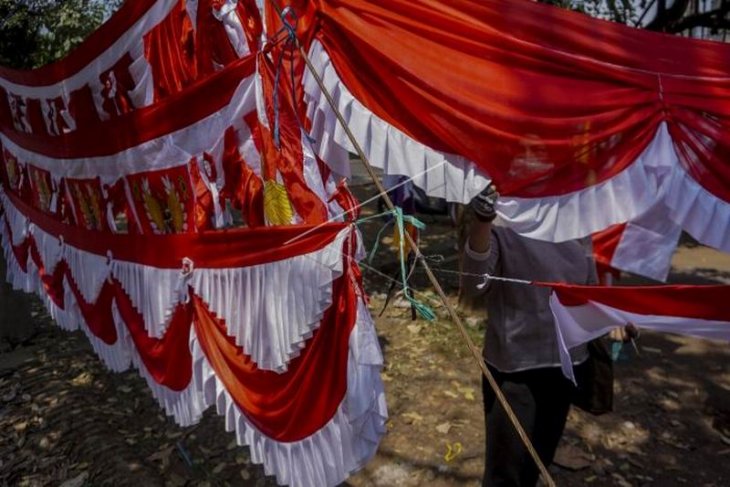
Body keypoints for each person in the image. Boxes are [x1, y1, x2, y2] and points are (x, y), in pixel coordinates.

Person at [461, 185, 630, 487]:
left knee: (539, 460)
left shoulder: (576, 221)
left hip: (567, 365)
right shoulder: (502, 220)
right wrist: (481, 222)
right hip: (515, 370)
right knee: (506, 473)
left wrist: (617, 317)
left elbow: (587, 291)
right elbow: (475, 286)